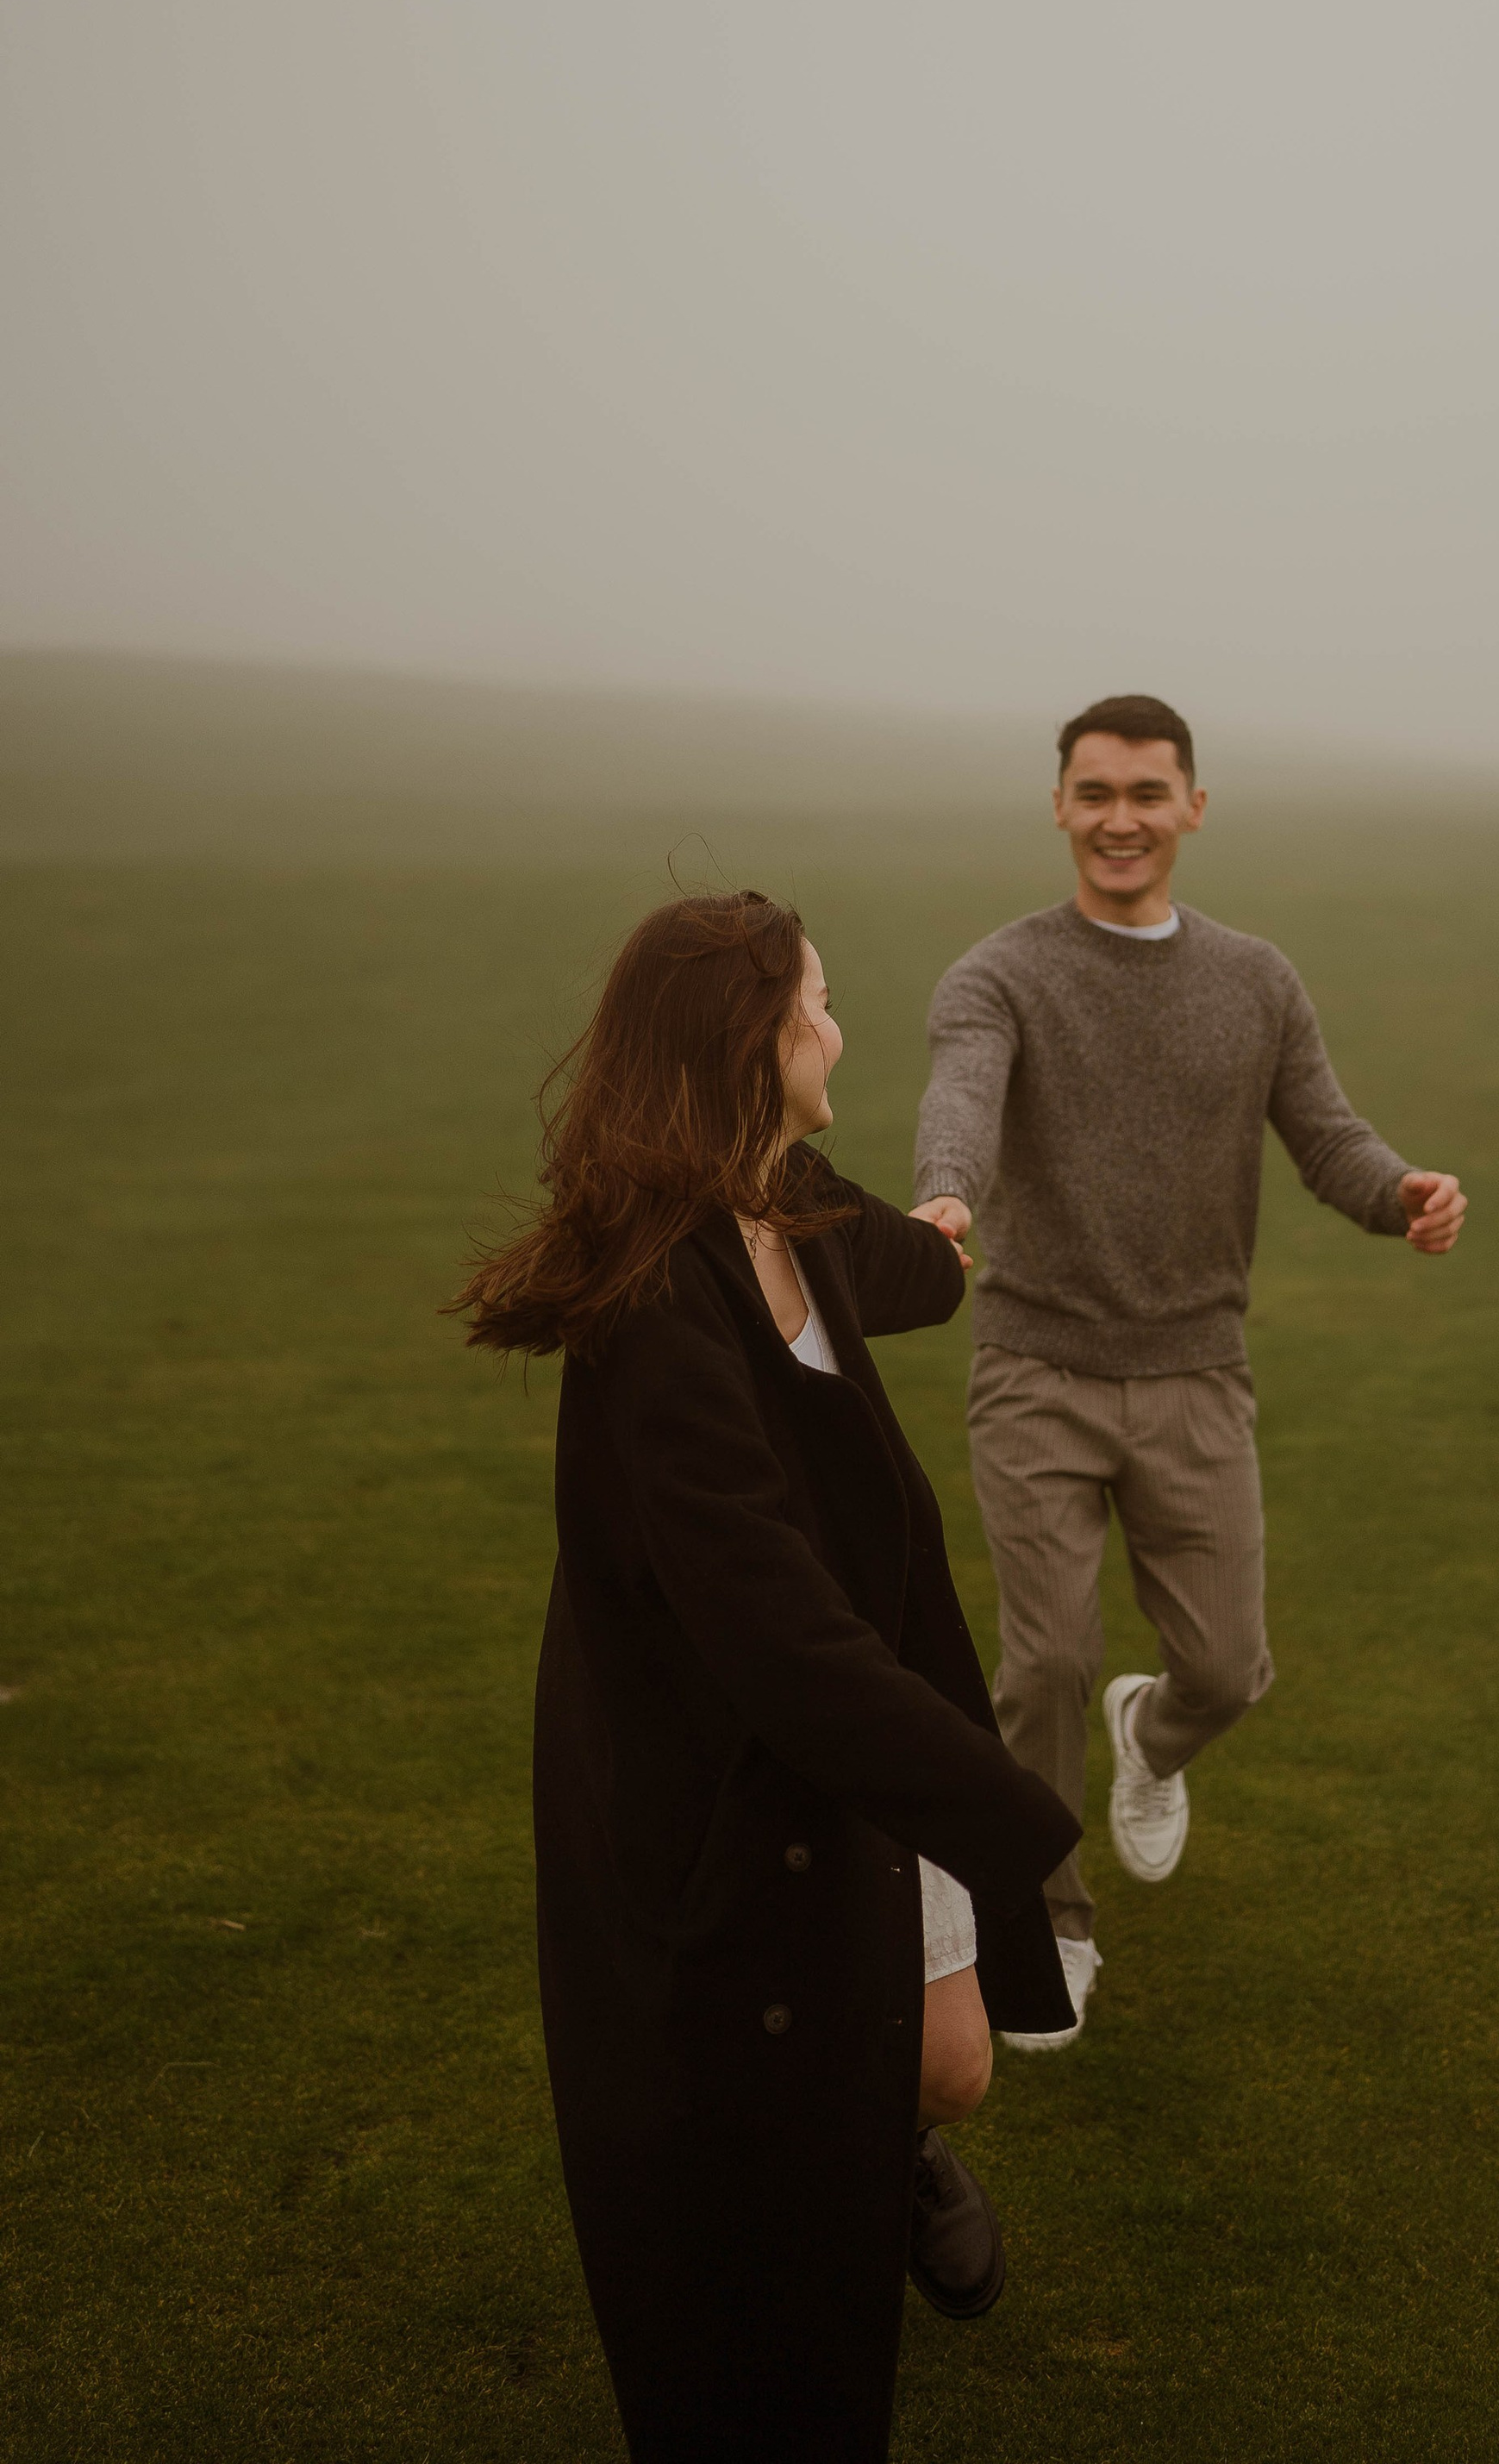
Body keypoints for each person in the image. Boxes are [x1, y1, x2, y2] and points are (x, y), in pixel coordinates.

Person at [453, 891, 1078, 2464]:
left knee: (951, 2071)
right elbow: (775, 1636)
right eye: (820, 1002)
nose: (839, 1027)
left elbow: (903, 1272)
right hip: (733, 1799)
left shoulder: (780, 1196)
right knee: (750, 2287)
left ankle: (897, 2158)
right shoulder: (660, 1300)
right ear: (758, 1039)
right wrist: (1008, 1809)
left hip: (845, 1752)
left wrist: (942, 1232)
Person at [912, 695, 1465, 2044]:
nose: (1120, 819)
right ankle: (1048, 1925)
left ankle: (1150, 1741)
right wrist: (942, 1200)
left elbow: (1327, 1139)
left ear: (1193, 809)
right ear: (1058, 806)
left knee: (1224, 1670)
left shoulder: (1256, 981)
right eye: (1094, 793)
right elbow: (963, 1100)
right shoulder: (999, 974)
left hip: (1194, 1373)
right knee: (1042, 1664)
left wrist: (1403, 1194)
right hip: (1036, 1366)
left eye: (1147, 794)